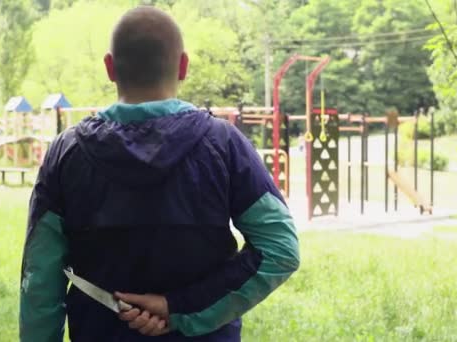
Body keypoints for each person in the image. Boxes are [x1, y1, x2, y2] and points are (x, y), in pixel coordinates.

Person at [19, 5, 299, 341]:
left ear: (109, 67)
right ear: (183, 65)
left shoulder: (66, 153)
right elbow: (280, 249)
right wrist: (182, 306)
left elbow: (40, 278)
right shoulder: (224, 145)